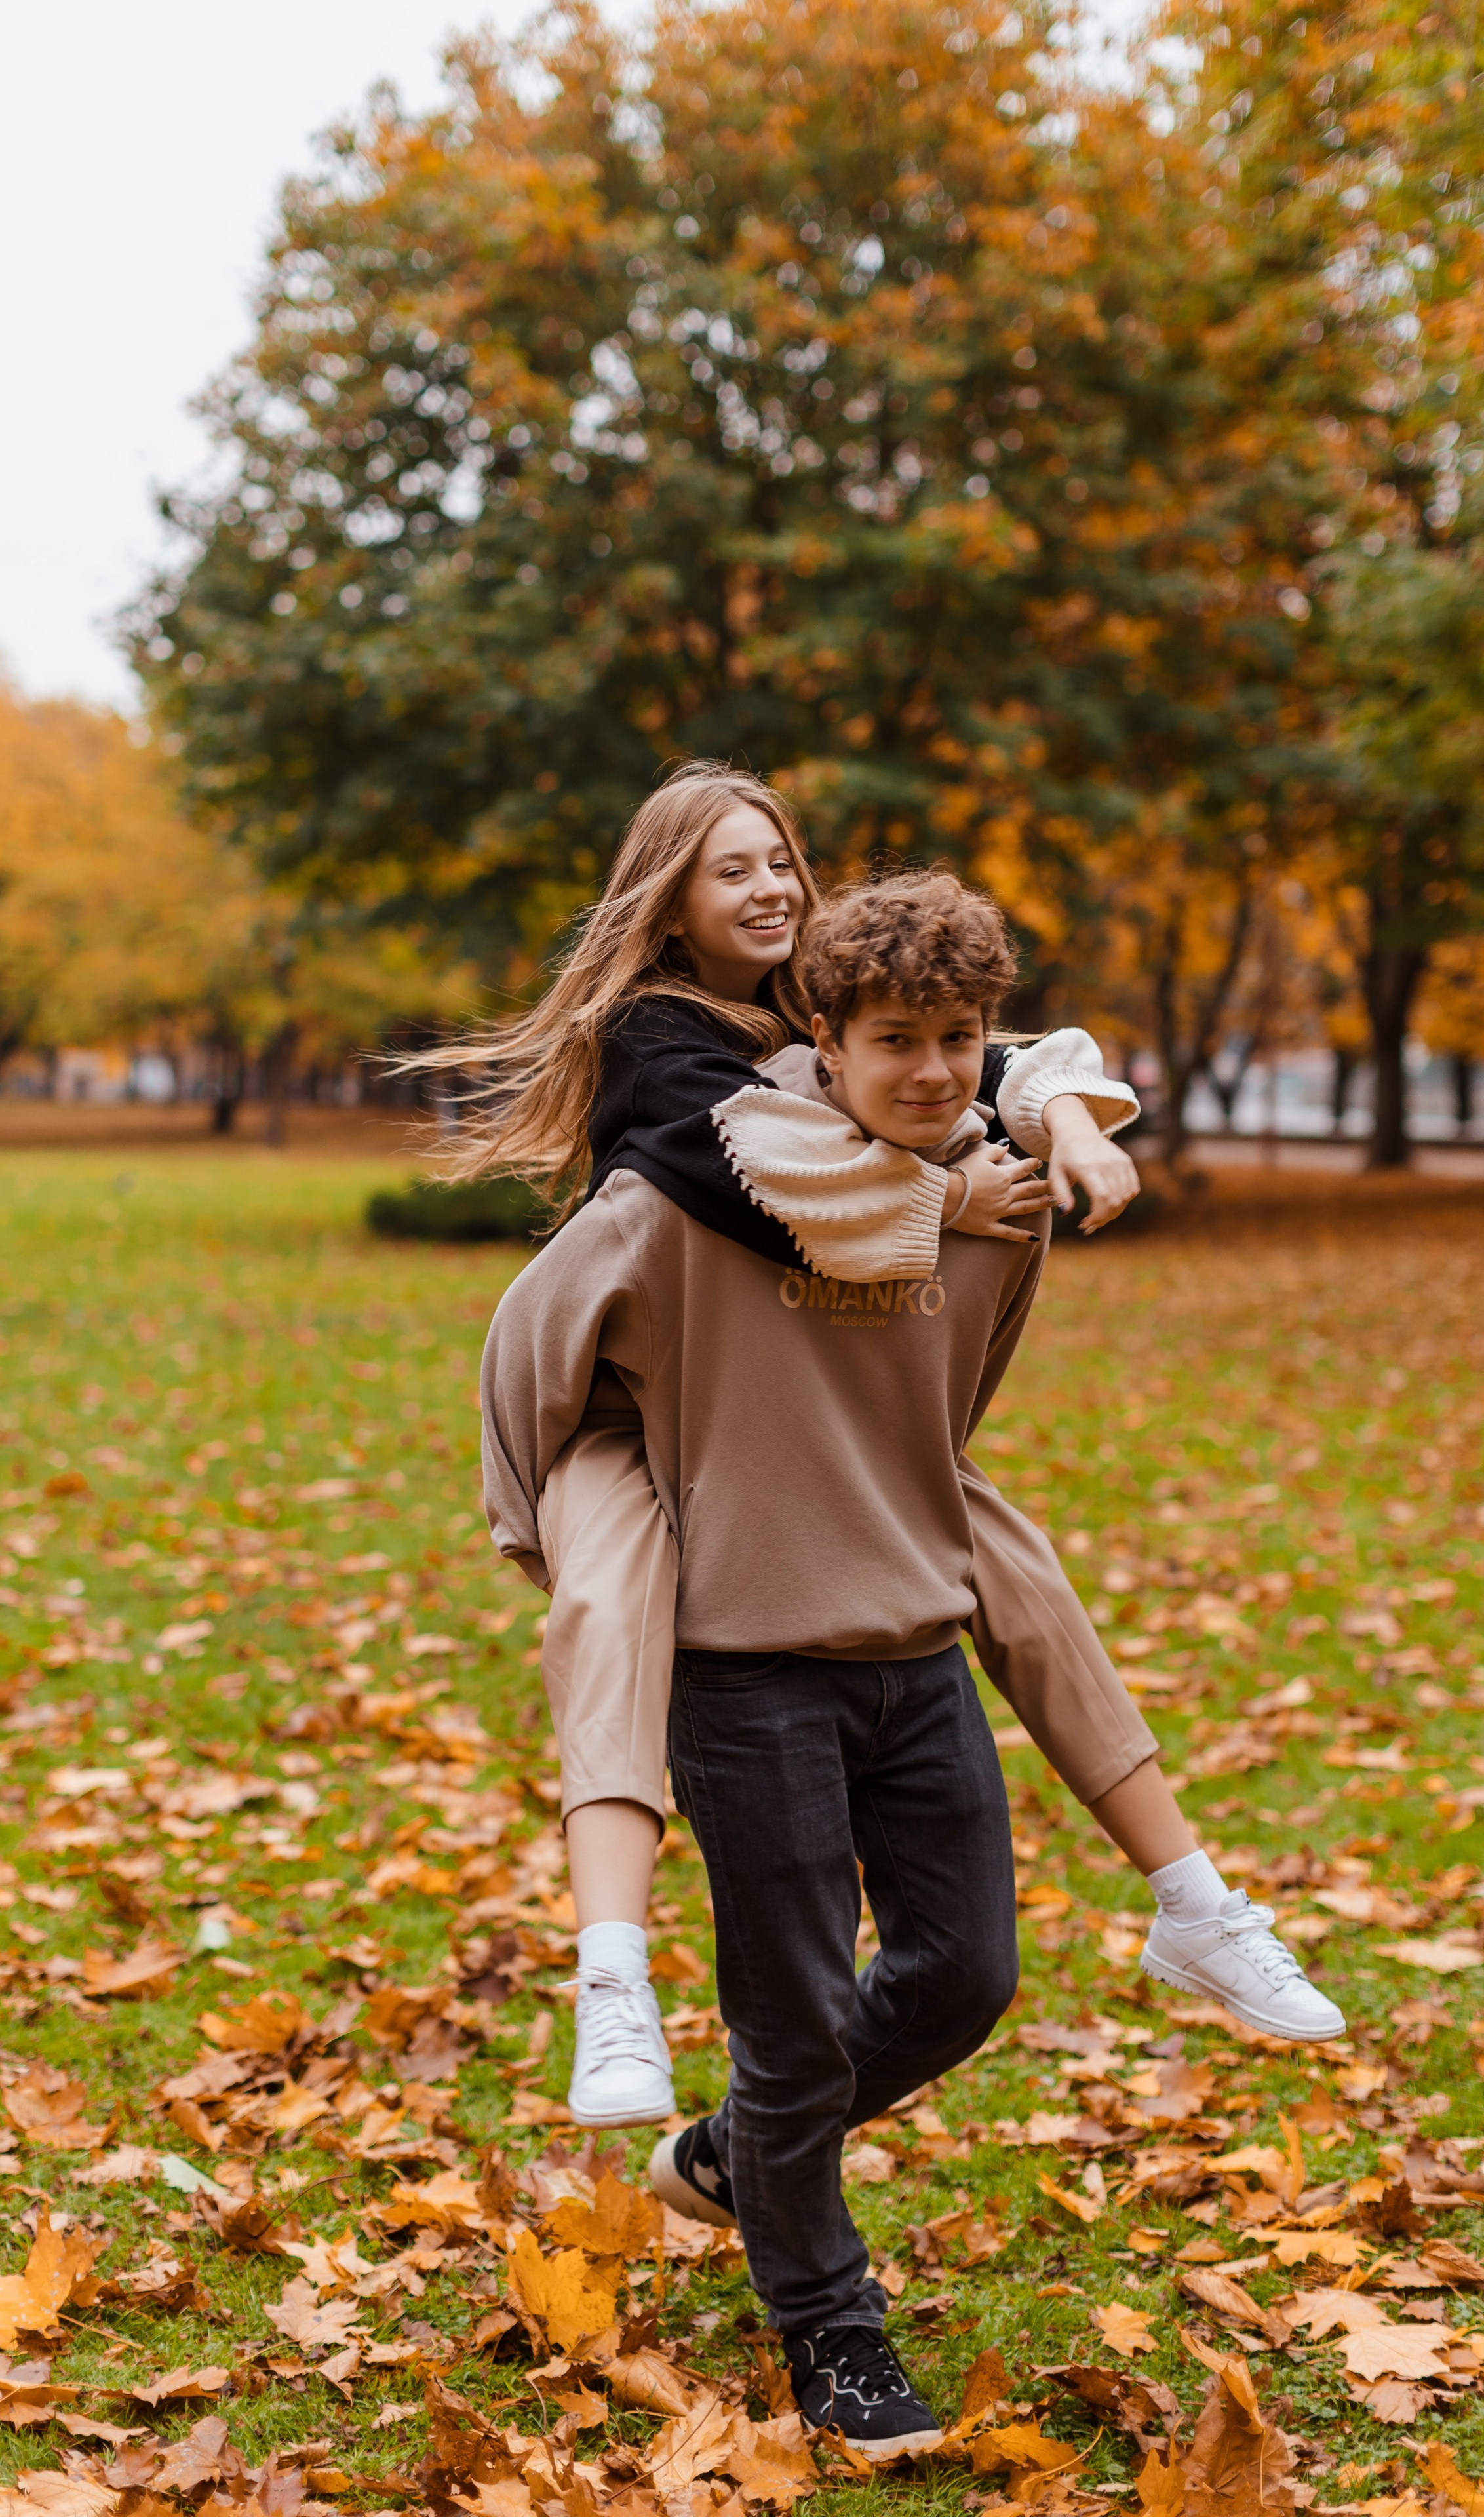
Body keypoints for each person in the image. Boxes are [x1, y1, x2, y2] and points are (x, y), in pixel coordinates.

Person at [477, 863, 1340, 2454]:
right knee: (795, 2017)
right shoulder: (686, 1193)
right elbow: (529, 1346)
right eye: (894, 1040)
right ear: (820, 1033)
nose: (933, 1071)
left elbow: (954, 1396)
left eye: (960, 1038)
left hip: (913, 1648)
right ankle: (831, 2330)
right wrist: (566, 1527)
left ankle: (743, 2157)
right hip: (743, 1670)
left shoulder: (996, 1194)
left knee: (966, 1974)